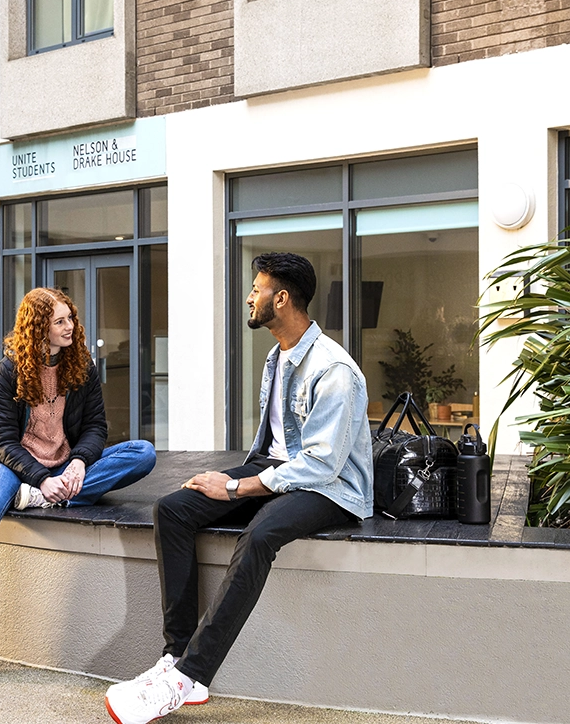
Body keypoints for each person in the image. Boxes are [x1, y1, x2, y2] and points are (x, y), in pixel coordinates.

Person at [103, 252, 374, 724]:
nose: (250, 297)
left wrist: (238, 488)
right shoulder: (277, 356)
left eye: (257, 288)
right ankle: (177, 654)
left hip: (332, 488)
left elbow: (321, 463)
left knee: (262, 533)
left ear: (282, 298)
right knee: (173, 509)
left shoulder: (335, 370)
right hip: (281, 470)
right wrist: (232, 479)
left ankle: (191, 675)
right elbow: (274, 447)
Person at [0, 287, 158, 679]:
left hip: (65, 466)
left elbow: (96, 428)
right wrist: (40, 477)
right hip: (19, 467)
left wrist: (77, 463)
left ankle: (39, 499)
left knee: (142, 453)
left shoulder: (82, 367)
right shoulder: (10, 369)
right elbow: (3, 439)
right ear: (39, 327)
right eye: (60, 321)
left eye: (70, 318)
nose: (70, 327)